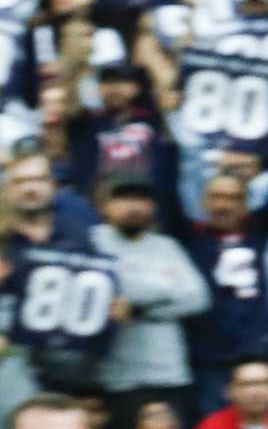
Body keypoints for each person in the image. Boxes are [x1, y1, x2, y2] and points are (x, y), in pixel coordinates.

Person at [90, 173, 211, 428]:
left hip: (170, 372)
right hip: (117, 377)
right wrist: (164, 288)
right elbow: (108, 291)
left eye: (142, 199)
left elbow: (198, 298)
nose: (134, 206)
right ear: (104, 206)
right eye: (123, 199)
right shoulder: (93, 242)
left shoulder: (167, 246)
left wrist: (138, 309)